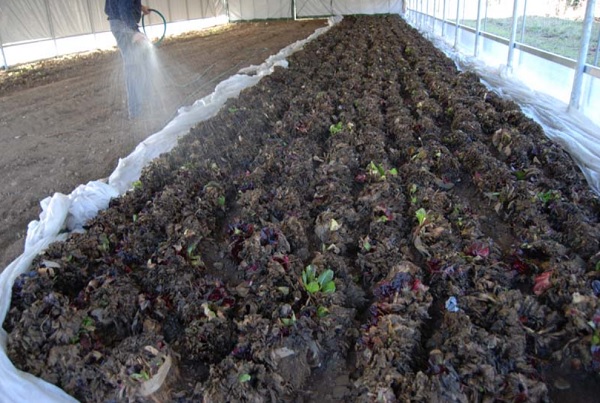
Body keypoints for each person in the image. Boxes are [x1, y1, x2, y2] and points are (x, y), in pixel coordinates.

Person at [105, 0, 151, 119]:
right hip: (123, 24)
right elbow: (124, 8)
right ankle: (136, 111)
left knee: (140, 62)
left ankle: (141, 104)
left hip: (121, 22)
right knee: (134, 66)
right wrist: (134, 31)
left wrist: (140, 7)